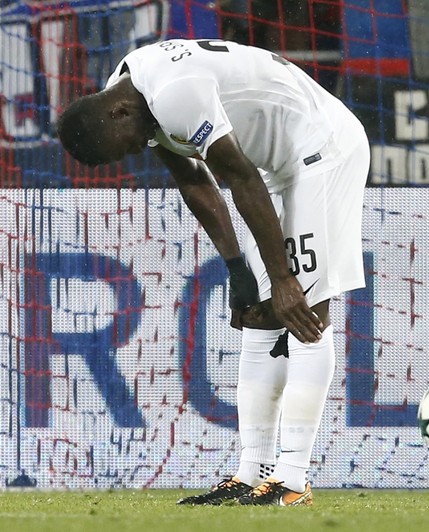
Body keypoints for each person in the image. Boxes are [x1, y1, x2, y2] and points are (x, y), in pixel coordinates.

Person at [56, 38, 370, 506]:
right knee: (262, 316)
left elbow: (237, 176)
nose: (131, 154)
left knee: (305, 311)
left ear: (118, 114)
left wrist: (282, 278)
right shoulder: (129, 97)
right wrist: (238, 270)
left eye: (120, 149)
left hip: (323, 148)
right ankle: (252, 472)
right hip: (275, 166)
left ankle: (293, 479)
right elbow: (194, 178)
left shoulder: (173, 93)